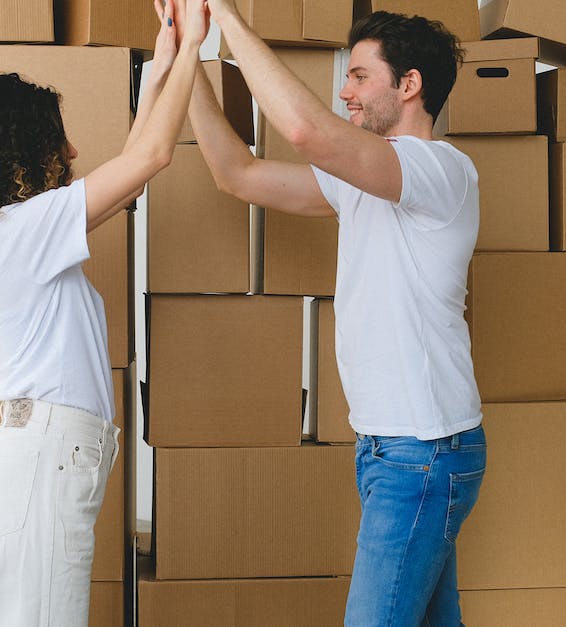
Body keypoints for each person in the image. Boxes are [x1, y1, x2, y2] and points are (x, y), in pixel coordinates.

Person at [178, 5, 485, 625]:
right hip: (389, 449)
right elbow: (235, 173)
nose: (344, 90)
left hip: (421, 450)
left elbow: (306, 131)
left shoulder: (439, 170)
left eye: (360, 76)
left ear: (410, 85)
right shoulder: (363, 181)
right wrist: (187, 55)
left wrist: (227, 20)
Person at [0, 1, 207, 624]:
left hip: (35, 467)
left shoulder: (15, 233)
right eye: (58, 136)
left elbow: (127, 182)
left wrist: (157, 74)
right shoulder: (20, 232)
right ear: (21, 147)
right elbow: (150, 159)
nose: (73, 149)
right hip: (41, 470)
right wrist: (194, 48)